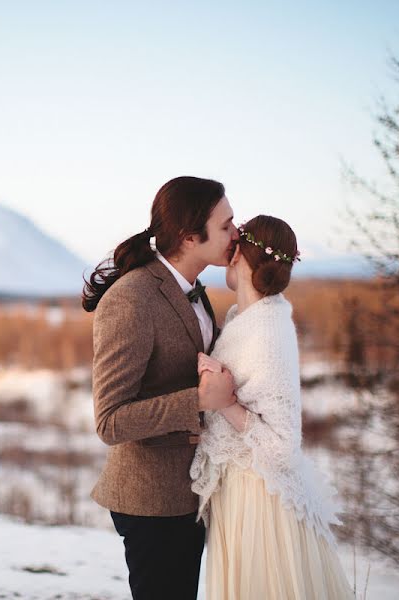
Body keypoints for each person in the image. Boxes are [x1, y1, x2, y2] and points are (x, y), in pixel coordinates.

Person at [83, 176, 238, 600]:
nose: (236, 233)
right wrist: (199, 401)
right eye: (226, 225)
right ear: (190, 237)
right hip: (150, 500)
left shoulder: (194, 290)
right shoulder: (132, 298)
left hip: (192, 491)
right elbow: (110, 421)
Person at [190, 215, 353, 599]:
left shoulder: (267, 329)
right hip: (241, 489)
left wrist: (225, 401)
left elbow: (282, 446)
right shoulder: (245, 317)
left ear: (239, 259)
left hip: (260, 503)